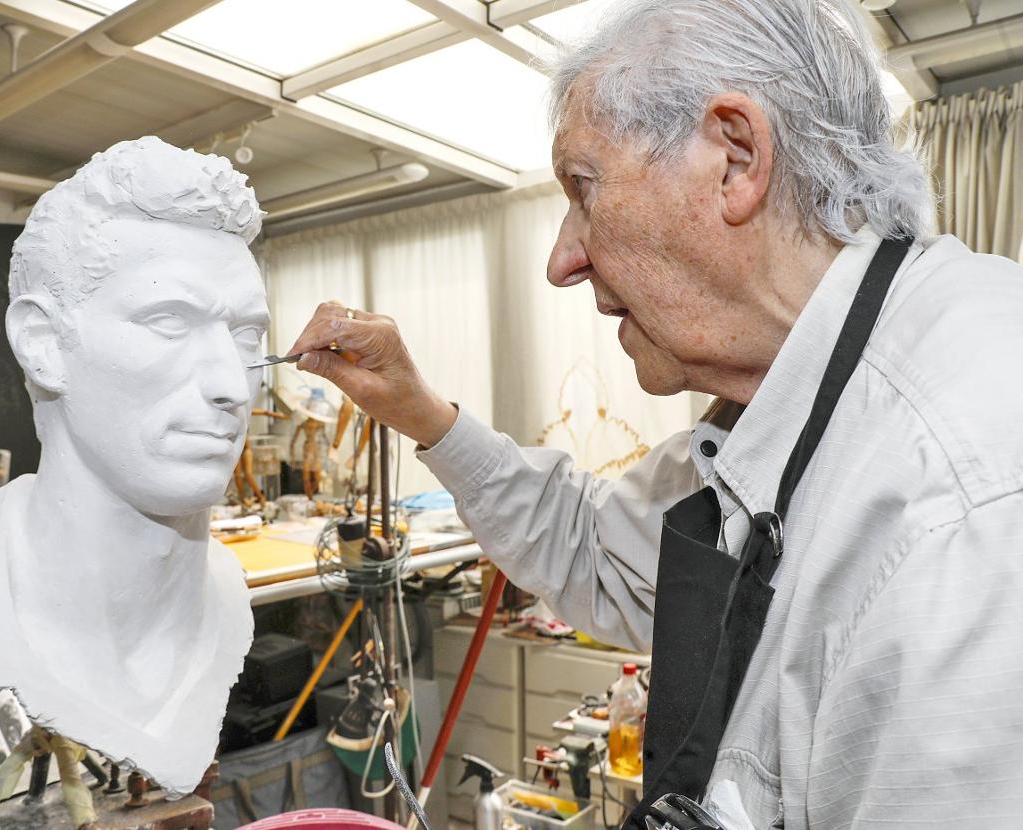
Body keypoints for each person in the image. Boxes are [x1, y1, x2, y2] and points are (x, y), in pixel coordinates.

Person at [287, 0, 1023, 827]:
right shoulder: (787, 406)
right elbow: (593, 546)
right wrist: (419, 411)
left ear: (735, 159)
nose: (562, 261)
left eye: (583, 188)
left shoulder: (963, 494)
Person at [0, 137, 265, 796]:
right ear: (44, 344)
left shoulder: (227, 589)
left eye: (248, 336)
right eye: (170, 321)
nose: (233, 383)